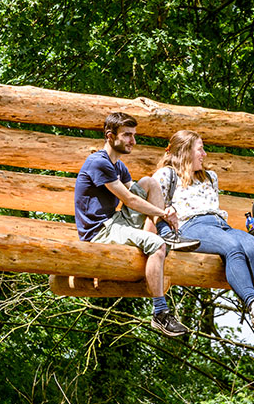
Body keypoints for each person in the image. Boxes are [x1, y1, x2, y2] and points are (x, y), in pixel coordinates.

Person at [74, 112, 199, 338]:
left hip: (115, 220)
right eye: (127, 135)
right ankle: (160, 313)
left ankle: (160, 237)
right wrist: (164, 213)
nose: (133, 141)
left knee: (149, 182)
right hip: (100, 231)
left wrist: (166, 210)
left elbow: (140, 196)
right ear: (110, 136)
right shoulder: (98, 162)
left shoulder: (118, 166)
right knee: (157, 245)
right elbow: (130, 200)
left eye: (134, 135)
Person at [152, 130, 254, 339]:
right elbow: (154, 211)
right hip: (190, 225)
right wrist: (167, 233)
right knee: (232, 246)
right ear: (186, 152)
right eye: (200, 149)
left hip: (219, 224)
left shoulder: (210, 177)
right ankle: (253, 303)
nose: (204, 154)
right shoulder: (166, 175)